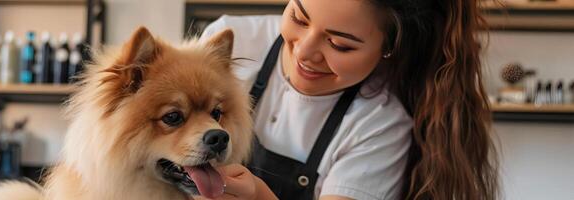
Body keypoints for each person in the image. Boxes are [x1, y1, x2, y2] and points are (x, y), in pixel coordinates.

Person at [197, 0, 500, 199]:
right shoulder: (230, 39)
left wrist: (260, 197)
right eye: (299, 18)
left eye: (339, 44)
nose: (304, 52)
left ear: (388, 48)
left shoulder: (379, 124)